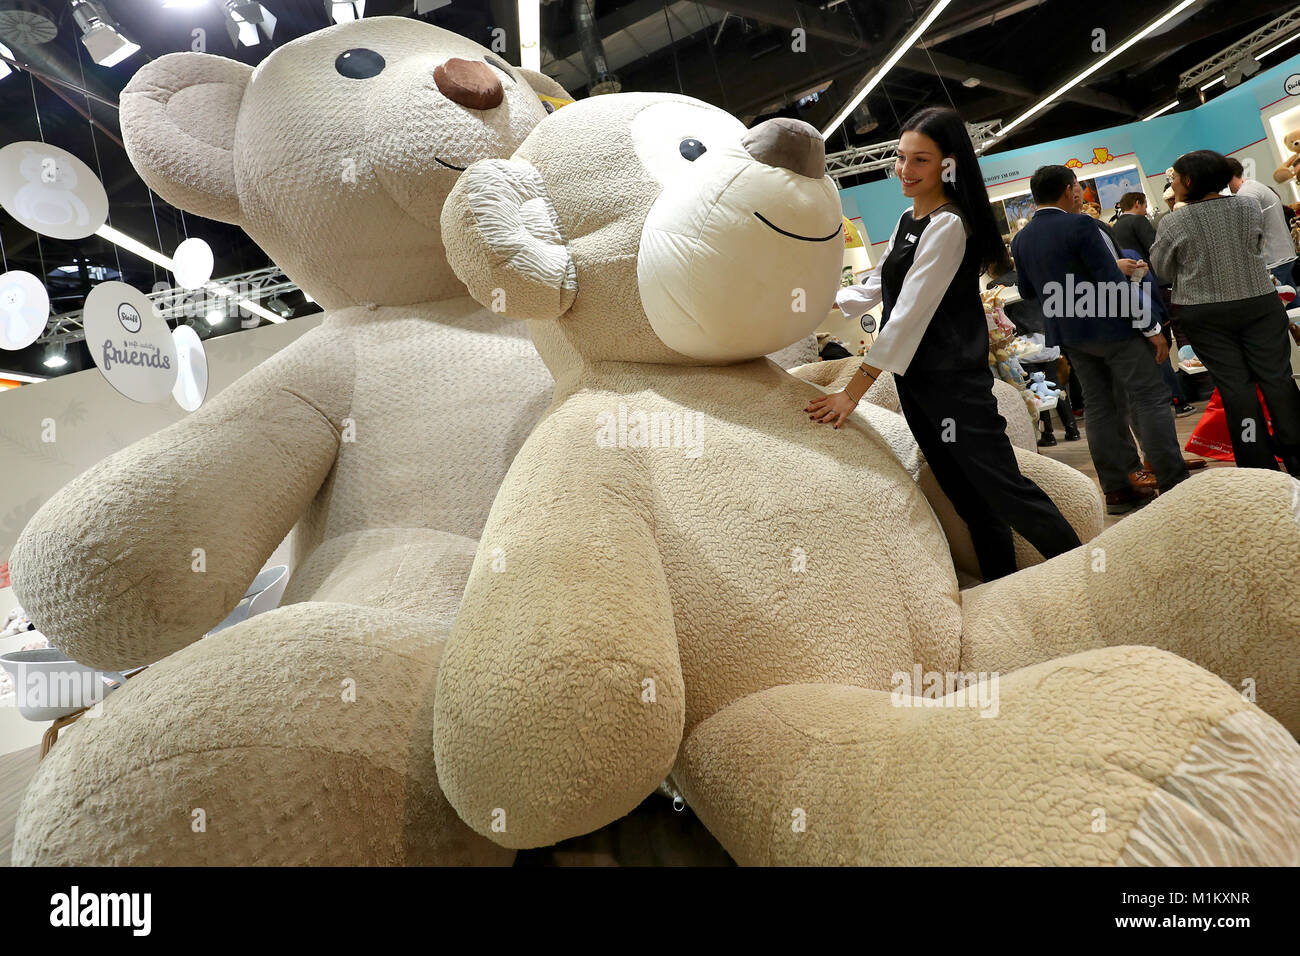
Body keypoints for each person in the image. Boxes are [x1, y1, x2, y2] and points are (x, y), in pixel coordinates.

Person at [807, 106, 1081, 581]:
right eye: (899, 158)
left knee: (1002, 489)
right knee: (967, 497)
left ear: (948, 165)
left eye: (920, 161)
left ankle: (1086, 576)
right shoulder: (908, 218)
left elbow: (908, 314)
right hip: (918, 383)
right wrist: (811, 304)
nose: (904, 171)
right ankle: (1006, 587)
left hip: (954, 385)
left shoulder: (949, 225)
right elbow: (876, 285)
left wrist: (852, 393)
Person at [1012, 164, 1190, 515]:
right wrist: (1152, 328)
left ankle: (1119, 489)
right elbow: (1112, 282)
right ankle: (1173, 481)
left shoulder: (1022, 238)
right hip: (1113, 327)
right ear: (1067, 189)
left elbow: (1026, 290)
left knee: (1099, 406)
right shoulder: (1080, 224)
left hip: (1070, 335)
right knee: (1150, 397)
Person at [1151, 150, 1300, 475]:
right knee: (1277, 379)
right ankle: (1297, 454)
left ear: (1188, 181)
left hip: (1204, 313)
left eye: (1173, 178)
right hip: (1258, 302)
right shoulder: (1247, 206)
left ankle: (1258, 466)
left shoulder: (1173, 221)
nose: (1172, 184)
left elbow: (1161, 268)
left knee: (1236, 389)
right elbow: (1256, 246)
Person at [1227, 157, 1299, 288]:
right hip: (1283, 254)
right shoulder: (1253, 186)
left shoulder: (1246, 193)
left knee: (1280, 300)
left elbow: (1249, 228)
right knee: (1291, 300)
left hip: (1273, 259)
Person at [1112, 192, 1156, 264]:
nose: (1146, 212)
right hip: (1147, 268)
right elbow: (1154, 247)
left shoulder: (1115, 226)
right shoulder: (1139, 220)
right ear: (1137, 203)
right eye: (1145, 206)